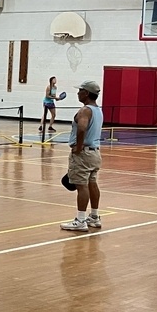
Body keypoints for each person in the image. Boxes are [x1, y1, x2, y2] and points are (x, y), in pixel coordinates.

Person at [61, 81, 103, 232]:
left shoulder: (85, 110)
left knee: (81, 185)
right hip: (95, 152)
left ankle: (80, 220)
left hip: (83, 153)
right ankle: (94, 216)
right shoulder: (98, 110)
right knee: (92, 183)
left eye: (80, 90)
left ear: (86, 93)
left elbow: (82, 128)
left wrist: (78, 148)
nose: (78, 93)